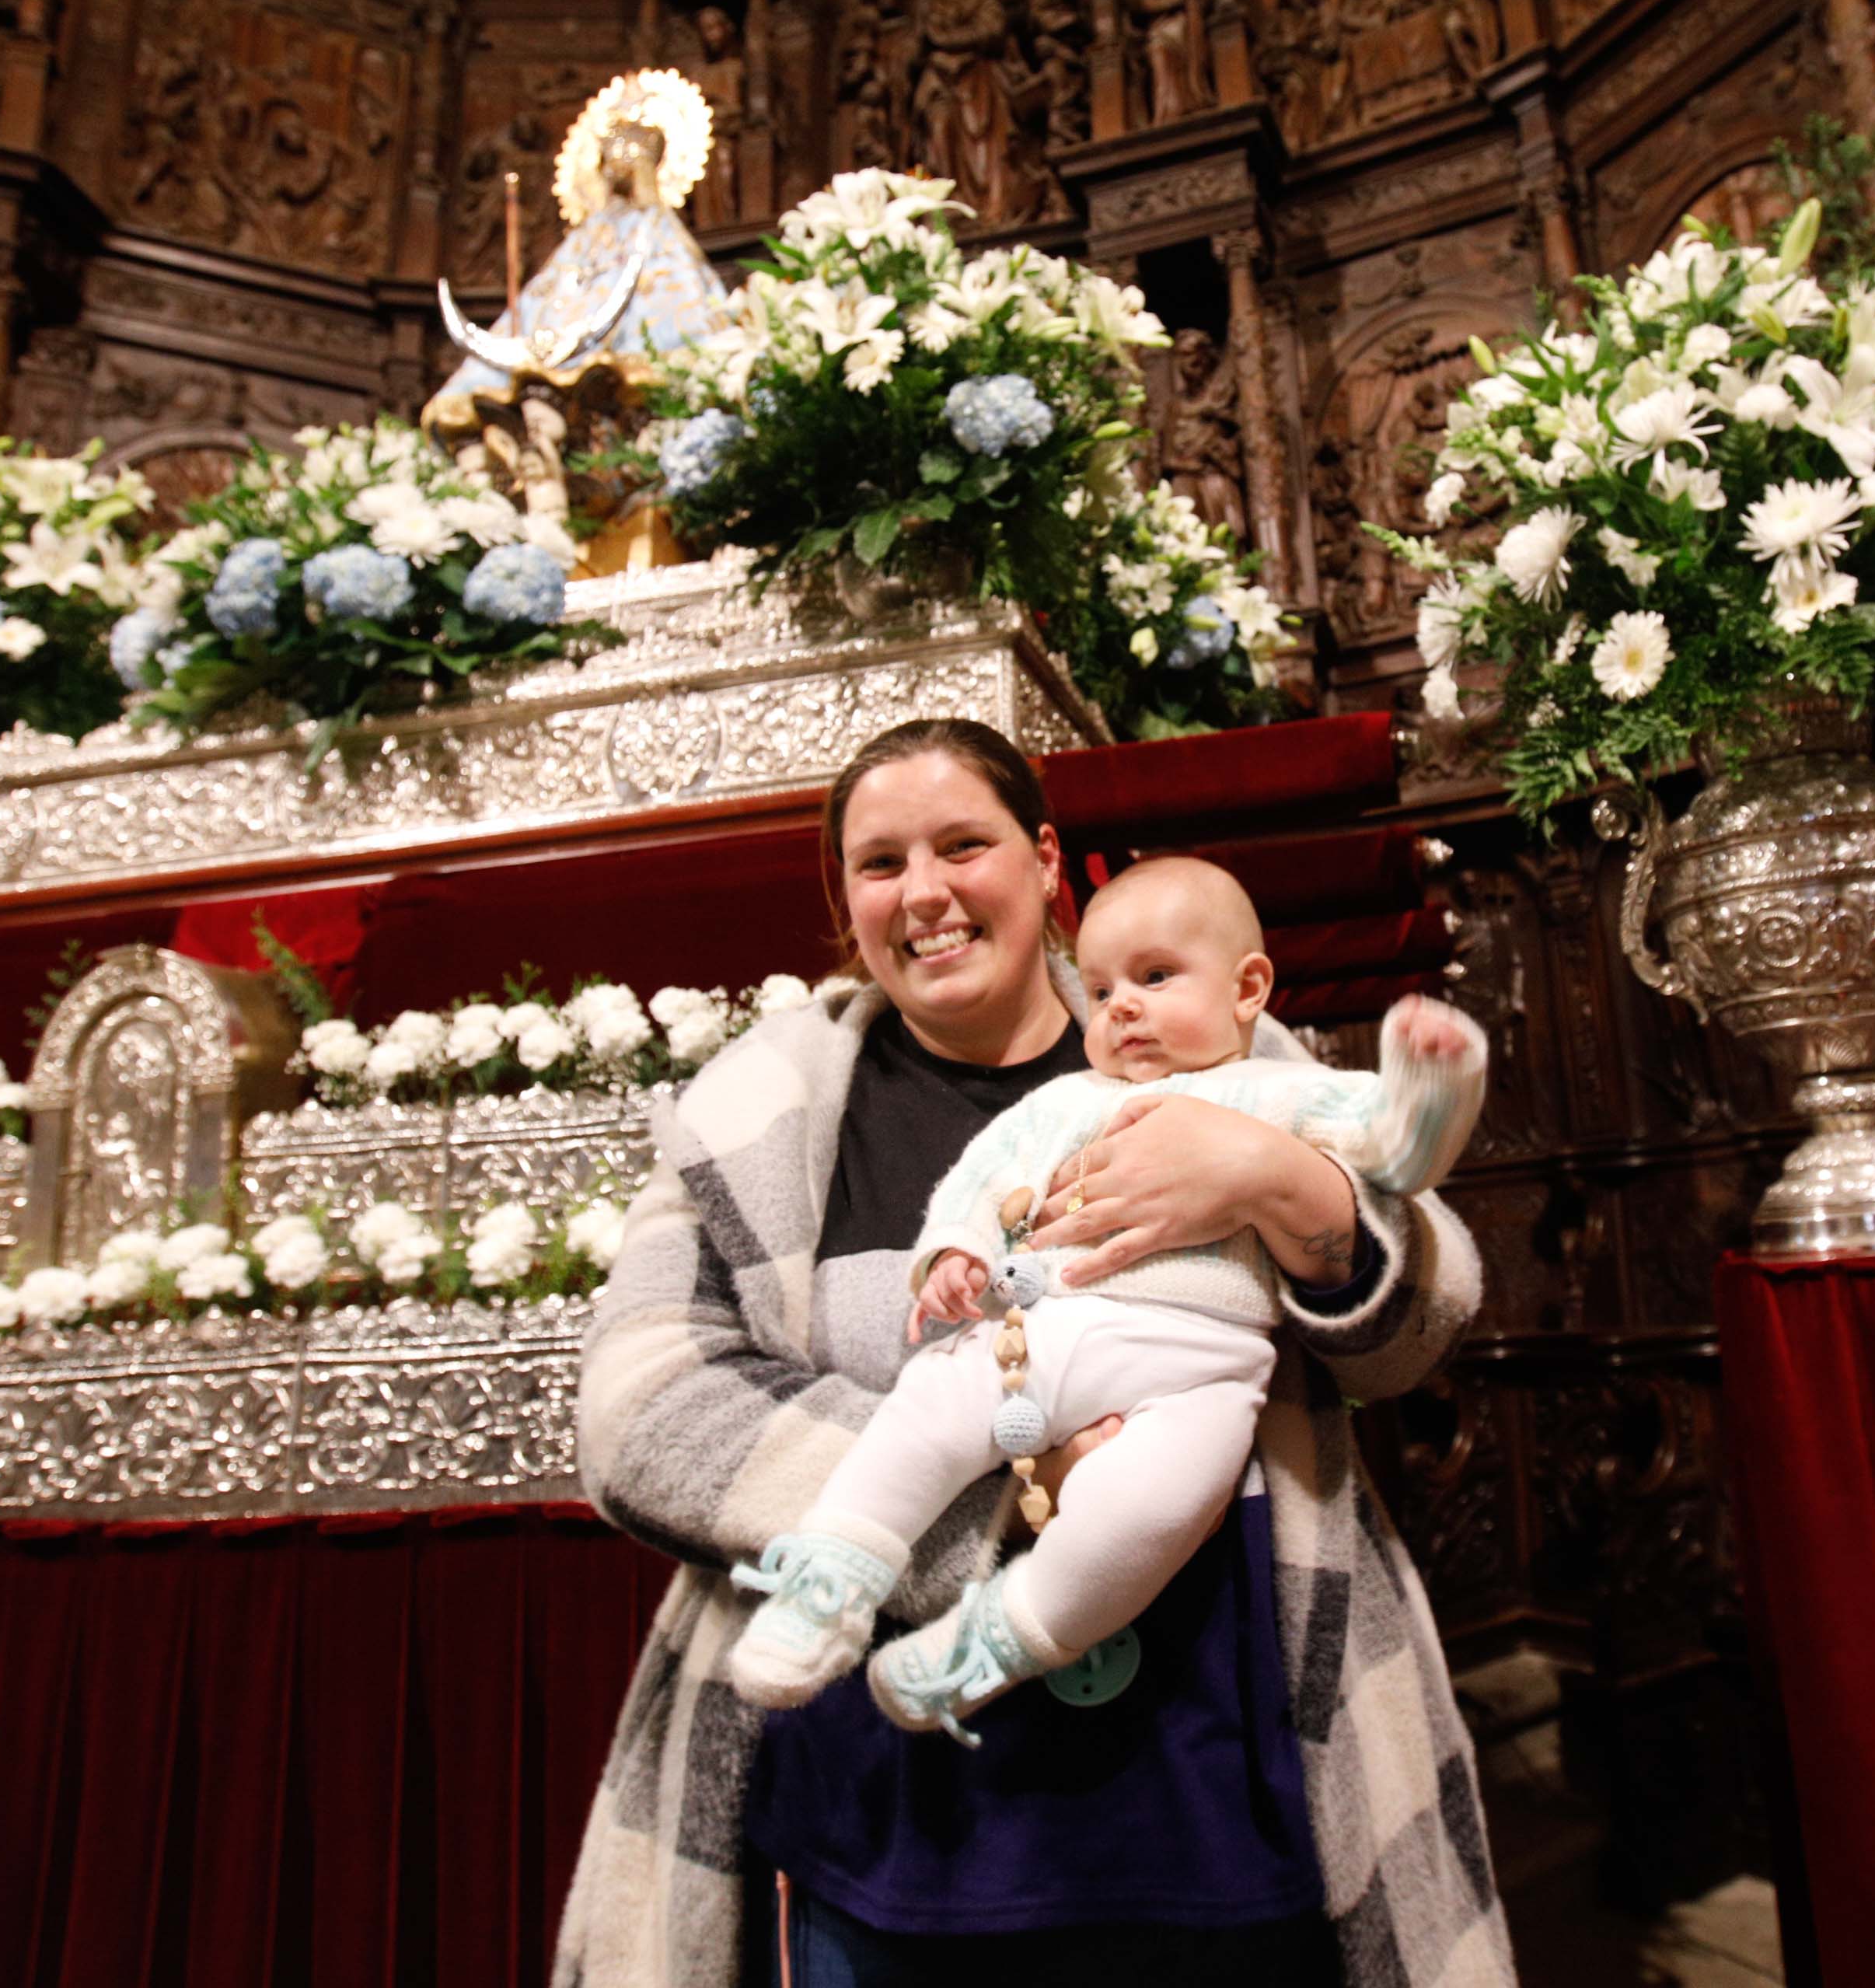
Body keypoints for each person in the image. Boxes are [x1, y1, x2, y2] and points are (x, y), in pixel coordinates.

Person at [557, 718, 1514, 1988]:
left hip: (1213, 1755)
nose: (928, 892)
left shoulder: (1193, 1035)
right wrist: (1003, 1485)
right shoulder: (763, 1114)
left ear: (1046, 859)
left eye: (966, 844)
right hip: (899, 1808)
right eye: (881, 863)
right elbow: (641, 1409)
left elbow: (1428, 1315)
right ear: (843, 897)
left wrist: (1287, 1186)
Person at [728, 856, 1486, 1742]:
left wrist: (1432, 1086)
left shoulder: (1286, 1092)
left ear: (1246, 988)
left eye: (1154, 977)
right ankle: (829, 1580)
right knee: (925, 1413)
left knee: (1149, 1515)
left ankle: (988, 1648)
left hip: (1201, 1373)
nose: (1120, 1004)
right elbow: (984, 1175)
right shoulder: (1067, 1100)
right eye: (1099, 988)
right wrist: (955, 1249)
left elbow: (1394, 1155)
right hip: (1039, 1335)